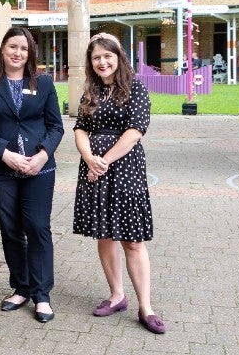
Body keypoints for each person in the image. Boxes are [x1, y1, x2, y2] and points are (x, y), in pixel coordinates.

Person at [72, 33, 166, 335]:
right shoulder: (91, 91)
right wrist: (89, 157)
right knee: (105, 235)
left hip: (124, 168)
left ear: (118, 57)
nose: (102, 62)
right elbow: (80, 128)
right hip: (94, 169)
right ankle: (117, 296)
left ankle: (146, 307)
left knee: (133, 240)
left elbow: (135, 131)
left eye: (107, 56)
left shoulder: (135, 88)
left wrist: (103, 160)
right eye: (96, 57)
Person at [0, 27, 64, 323]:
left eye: (23, 49)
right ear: (3, 49)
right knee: (11, 229)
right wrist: (4, 153)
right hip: (0, 168)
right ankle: (21, 287)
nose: (17, 53)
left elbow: (56, 127)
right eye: (12, 47)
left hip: (39, 168)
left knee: (38, 227)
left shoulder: (44, 83)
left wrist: (42, 156)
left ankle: (42, 295)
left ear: (30, 54)